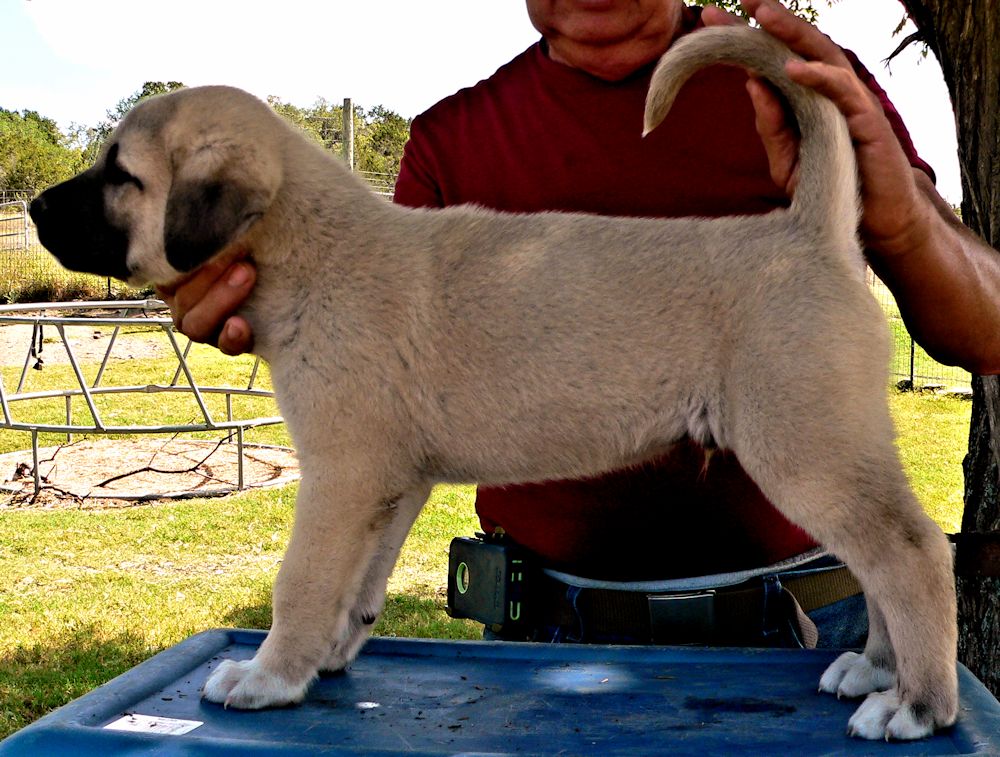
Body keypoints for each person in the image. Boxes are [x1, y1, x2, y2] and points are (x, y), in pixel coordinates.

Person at [160, 0, 1000, 646]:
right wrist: (257, 294)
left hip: (812, 629)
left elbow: (987, 327)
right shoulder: (453, 138)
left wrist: (905, 222)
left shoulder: (803, 82)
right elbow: (383, 412)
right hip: (543, 630)